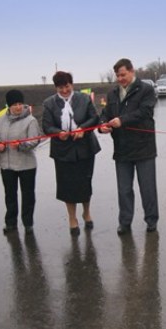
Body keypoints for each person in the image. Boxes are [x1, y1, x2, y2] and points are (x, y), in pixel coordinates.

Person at [99, 58, 159, 236]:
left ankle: (151, 220)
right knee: (124, 190)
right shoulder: (112, 93)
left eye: (123, 74)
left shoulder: (146, 90)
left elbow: (145, 111)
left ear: (132, 71)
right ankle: (125, 222)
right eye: (117, 75)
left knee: (147, 188)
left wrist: (121, 120)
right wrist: (103, 124)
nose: (120, 78)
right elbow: (105, 113)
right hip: (122, 149)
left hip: (144, 148)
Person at [42, 71, 101, 237]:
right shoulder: (49, 103)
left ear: (72, 84)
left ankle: (86, 212)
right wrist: (58, 132)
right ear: (56, 88)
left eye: (67, 86)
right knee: (67, 185)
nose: (64, 90)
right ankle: (72, 218)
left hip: (85, 147)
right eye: (60, 87)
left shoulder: (84, 98)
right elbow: (46, 127)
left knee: (85, 182)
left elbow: (94, 118)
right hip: (62, 151)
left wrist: (82, 129)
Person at [0, 89, 41, 235]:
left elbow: (35, 140)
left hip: (26, 165)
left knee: (28, 195)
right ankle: (11, 223)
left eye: (20, 104)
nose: (18, 107)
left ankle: (28, 223)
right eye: (14, 104)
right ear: (8, 106)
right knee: (10, 195)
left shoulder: (31, 121)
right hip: (7, 165)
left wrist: (21, 145)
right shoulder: (0, 121)